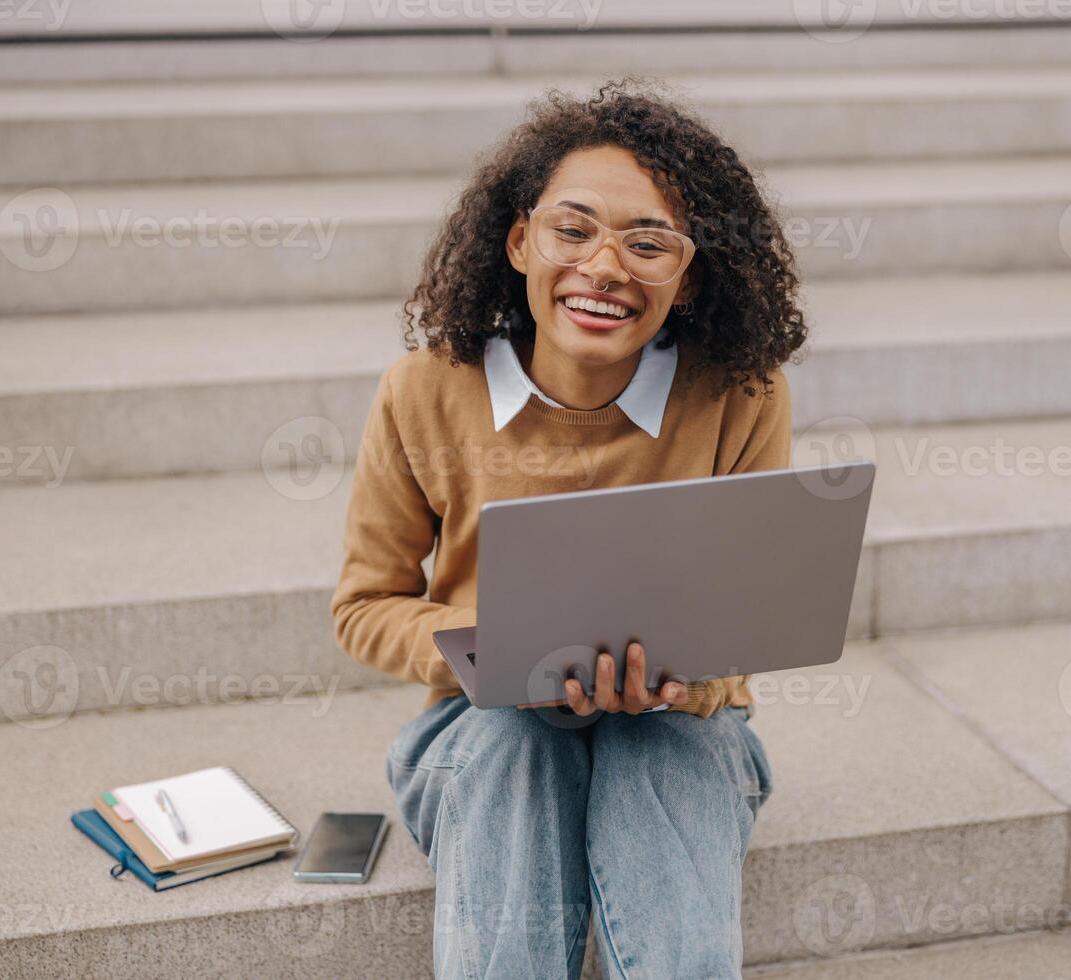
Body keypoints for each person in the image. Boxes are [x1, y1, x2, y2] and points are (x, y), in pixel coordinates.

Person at [331, 77, 807, 979]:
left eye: (648, 243)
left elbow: (749, 620)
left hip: (681, 730)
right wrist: (499, 652)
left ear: (691, 271)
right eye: (573, 229)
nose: (604, 268)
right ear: (520, 239)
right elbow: (365, 606)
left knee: (655, 752)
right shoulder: (425, 390)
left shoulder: (741, 394)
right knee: (518, 744)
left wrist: (680, 679)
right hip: (481, 729)